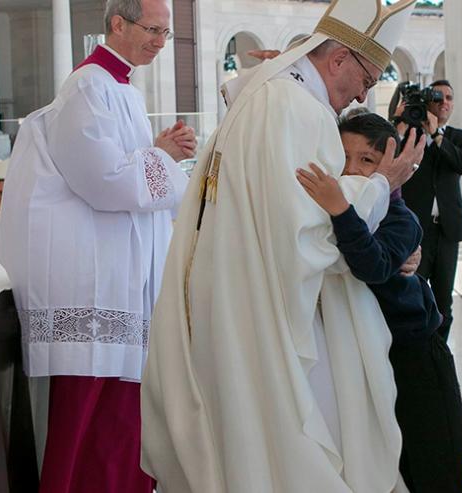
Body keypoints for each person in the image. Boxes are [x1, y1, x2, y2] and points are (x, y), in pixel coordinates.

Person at [140, 1, 424, 492]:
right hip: (263, 305)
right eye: (368, 75)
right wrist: (381, 183)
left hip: (230, 291)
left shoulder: (269, 94)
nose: (366, 93)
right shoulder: (300, 111)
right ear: (338, 60)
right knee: (295, 440)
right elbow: (310, 236)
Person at [0, 1, 193, 491]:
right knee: (83, 425)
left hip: (121, 283)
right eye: (153, 30)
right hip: (92, 289)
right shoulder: (88, 87)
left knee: (122, 423)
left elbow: (129, 170)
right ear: (117, 24)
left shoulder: (121, 87)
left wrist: (156, 154)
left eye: (167, 34)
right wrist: (162, 156)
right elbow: (104, 181)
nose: (160, 43)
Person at [297, 113, 462, 493]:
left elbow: (371, 265)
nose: (352, 170)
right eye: (342, 158)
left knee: (435, 463)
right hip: (363, 361)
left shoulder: (400, 219)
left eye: (367, 161)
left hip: (414, 354)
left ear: (391, 168)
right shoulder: (315, 218)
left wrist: (343, 210)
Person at [397, 80, 462, 341]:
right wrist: (399, 124)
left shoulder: (458, 137)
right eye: (438, 97)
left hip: (447, 231)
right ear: (428, 101)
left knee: (444, 302)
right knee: (412, 295)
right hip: (416, 231)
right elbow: (392, 161)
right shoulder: (410, 137)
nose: (444, 102)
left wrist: (437, 136)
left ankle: (440, 353)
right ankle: (417, 354)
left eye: (449, 98)